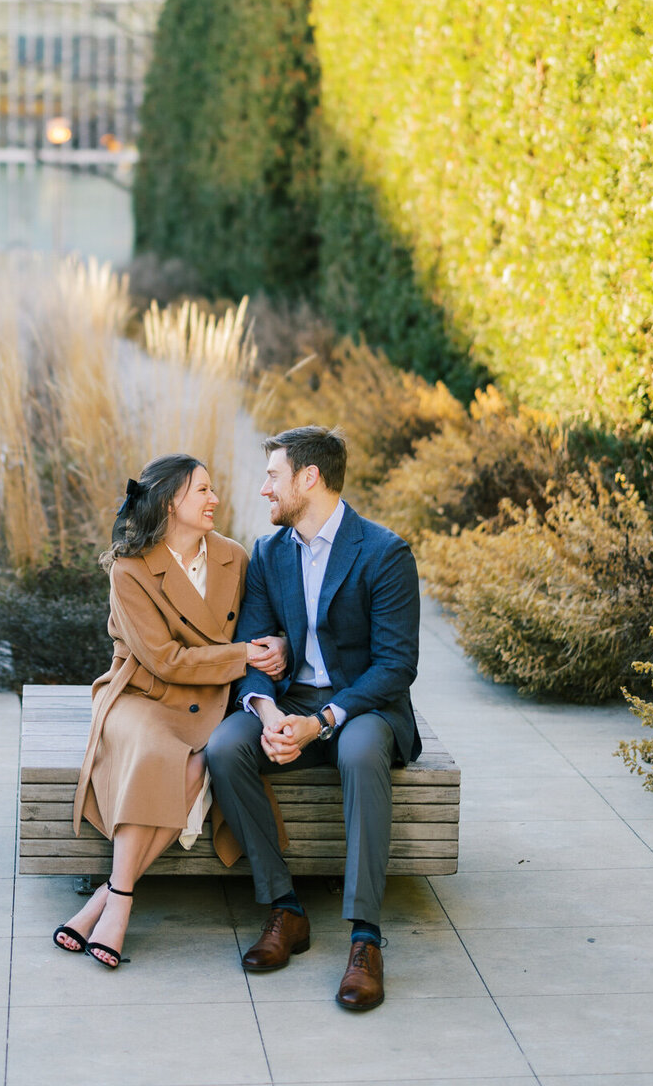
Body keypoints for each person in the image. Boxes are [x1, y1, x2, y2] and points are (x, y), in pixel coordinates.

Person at [206, 425, 421, 1013]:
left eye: (273, 476)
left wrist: (322, 721)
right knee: (225, 748)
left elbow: (397, 666)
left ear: (309, 478)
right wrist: (271, 711)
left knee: (357, 751)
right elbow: (254, 648)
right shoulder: (270, 553)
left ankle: (365, 939)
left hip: (362, 706)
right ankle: (286, 909)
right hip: (291, 699)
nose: (262, 489)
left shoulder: (384, 552)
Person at [61, 453, 286, 969]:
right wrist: (243, 654)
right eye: (202, 491)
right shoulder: (130, 567)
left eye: (212, 489)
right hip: (142, 693)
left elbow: (261, 626)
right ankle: (119, 906)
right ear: (169, 503)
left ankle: (109, 897)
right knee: (156, 751)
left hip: (212, 696)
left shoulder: (233, 556)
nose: (215, 499)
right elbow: (163, 659)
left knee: (197, 766)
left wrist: (276, 647)